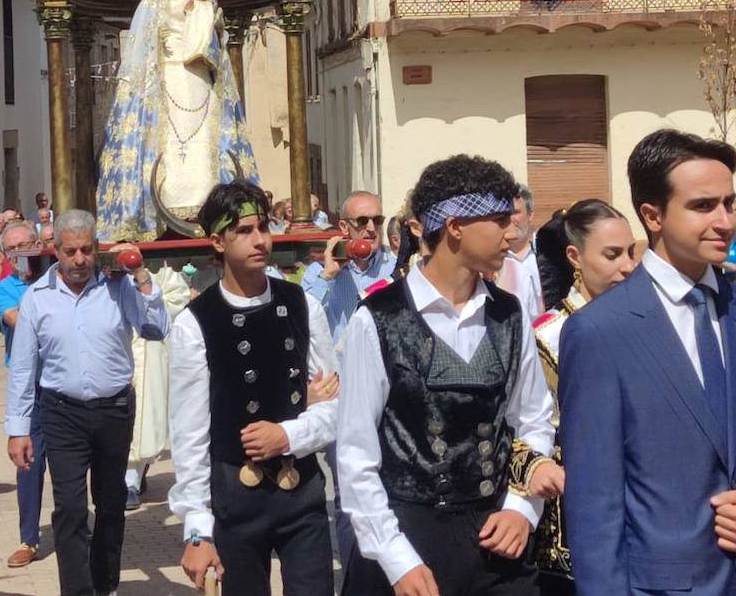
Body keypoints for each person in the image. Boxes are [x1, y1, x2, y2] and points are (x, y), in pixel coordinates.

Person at [560, 129, 736, 596]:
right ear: (653, 215)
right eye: (703, 206)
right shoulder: (599, 331)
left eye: (730, 204)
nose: (725, 221)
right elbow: (594, 503)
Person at [338, 155, 556, 596]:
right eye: (499, 220)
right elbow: (356, 455)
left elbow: (534, 420)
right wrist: (396, 559)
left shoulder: (508, 314)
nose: (512, 232)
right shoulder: (379, 319)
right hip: (406, 538)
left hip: (496, 539)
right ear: (455, 226)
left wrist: (521, 509)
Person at [168, 182, 340, 595]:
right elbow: (190, 434)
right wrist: (197, 530)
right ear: (218, 241)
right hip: (236, 497)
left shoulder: (302, 305)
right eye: (244, 231)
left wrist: (288, 434)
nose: (260, 240)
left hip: (301, 491)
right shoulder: (195, 323)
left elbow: (336, 404)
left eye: (263, 227)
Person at [4, 209, 169, 596]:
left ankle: (104, 584)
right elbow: (23, 367)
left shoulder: (119, 287)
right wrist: (18, 430)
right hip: (62, 412)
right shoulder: (37, 297)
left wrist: (141, 275)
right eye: (70, 251)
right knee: (71, 508)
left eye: (86, 250)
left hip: (114, 411)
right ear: (56, 251)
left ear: (97, 248)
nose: (79, 260)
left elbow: (157, 329)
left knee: (111, 504)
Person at [95, 0, 259, 239]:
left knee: (203, 138)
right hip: (168, 75)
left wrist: (203, 8)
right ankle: (165, 198)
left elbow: (215, 34)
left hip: (197, 76)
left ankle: (206, 196)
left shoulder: (202, 0)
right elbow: (144, 42)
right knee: (167, 138)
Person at [525, 201, 643, 594]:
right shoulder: (547, 336)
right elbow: (524, 429)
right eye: (612, 255)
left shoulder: (645, 324)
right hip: (573, 520)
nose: (627, 266)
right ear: (575, 257)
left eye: (631, 253)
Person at [0, 221, 53, 569]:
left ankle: (77, 527)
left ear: (40, 244)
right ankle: (29, 538)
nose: (21, 253)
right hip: (29, 389)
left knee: (72, 464)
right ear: (4, 255)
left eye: (27, 245)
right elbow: (18, 320)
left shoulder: (59, 277)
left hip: (63, 384)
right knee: (29, 464)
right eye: (13, 249)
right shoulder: (0, 290)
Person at [123, 245, 192, 510]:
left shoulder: (158, 277)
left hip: (146, 352)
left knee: (144, 419)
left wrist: (145, 281)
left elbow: (169, 310)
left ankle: (131, 480)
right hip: (116, 353)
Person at [301, 190, 397, 344]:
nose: (372, 228)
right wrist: (327, 276)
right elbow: (302, 319)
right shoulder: (319, 270)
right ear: (344, 226)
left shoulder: (395, 267)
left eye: (377, 220)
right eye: (362, 221)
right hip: (339, 359)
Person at [496, 187, 542, 322]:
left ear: (530, 215)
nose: (511, 219)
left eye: (515, 212)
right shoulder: (493, 261)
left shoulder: (546, 256)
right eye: (506, 213)